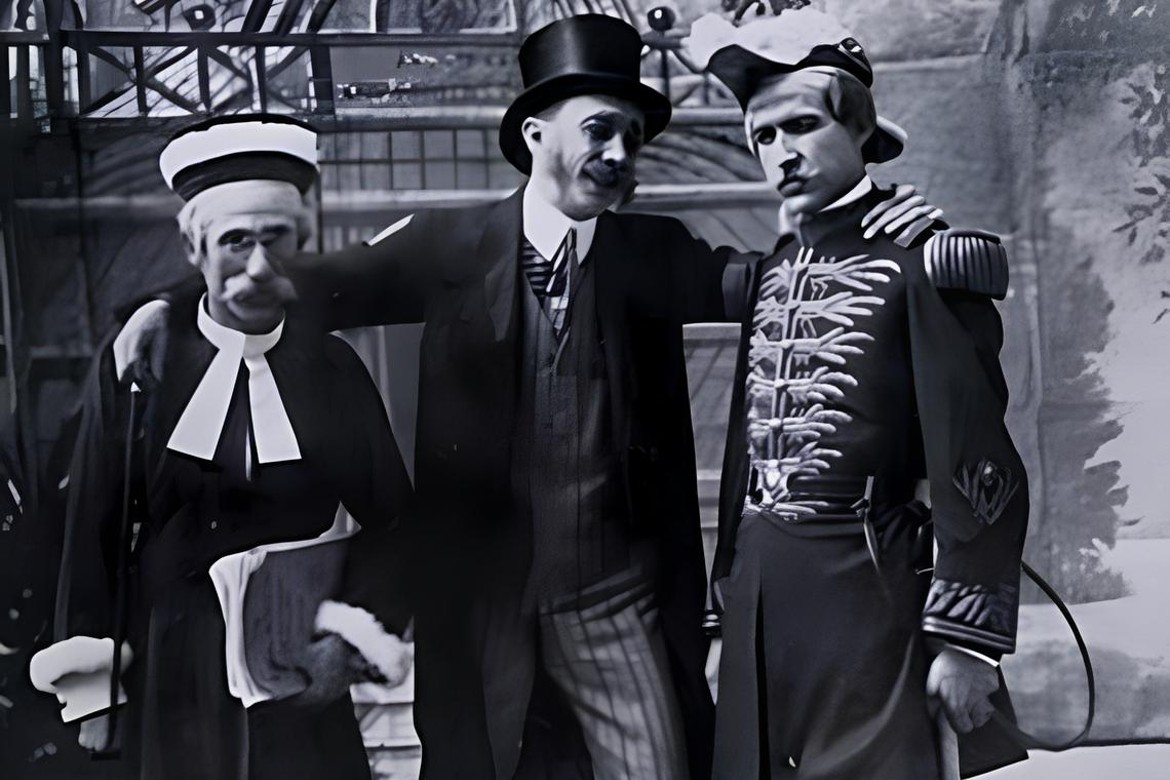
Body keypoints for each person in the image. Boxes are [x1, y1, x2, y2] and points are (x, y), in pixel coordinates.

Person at [112, 16, 940, 780]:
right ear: (536, 135)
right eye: (599, 129)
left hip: (614, 600)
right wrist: (169, 306)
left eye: (632, 137)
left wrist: (873, 225)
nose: (618, 152)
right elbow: (302, 283)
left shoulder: (655, 251)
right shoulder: (450, 244)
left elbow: (773, 286)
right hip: (484, 600)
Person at [685, 9, 1030, 779]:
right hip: (758, 601)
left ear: (860, 129)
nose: (782, 151)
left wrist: (966, 639)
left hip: (869, 590)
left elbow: (979, 461)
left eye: (802, 125)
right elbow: (747, 455)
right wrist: (722, 617)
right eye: (763, 136)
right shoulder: (775, 270)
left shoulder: (923, 261)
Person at [29, 115, 414, 780]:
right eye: (236, 241)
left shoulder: (332, 369)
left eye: (277, 240)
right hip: (176, 667)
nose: (259, 266)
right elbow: (91, 524)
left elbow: (397, 523)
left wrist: (346, 636)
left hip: (299, 662)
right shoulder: (141, 363)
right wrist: (94, 691)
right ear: (193, 245)